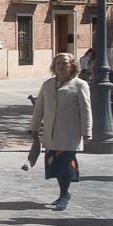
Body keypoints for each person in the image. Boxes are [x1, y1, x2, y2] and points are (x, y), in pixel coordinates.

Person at [30, 53, 92, 210]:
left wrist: (87, 132)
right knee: (55, 166)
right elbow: (39, 108)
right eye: (57, 63)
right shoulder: (47, 84)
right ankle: (63, 193)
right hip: (51, 134)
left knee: (64, 165)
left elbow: (86, 111)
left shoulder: (80, 85)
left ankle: (65, 195)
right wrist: (34, 127)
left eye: (64, 63)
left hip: (70, 134)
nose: (60, 66)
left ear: (72, 65)